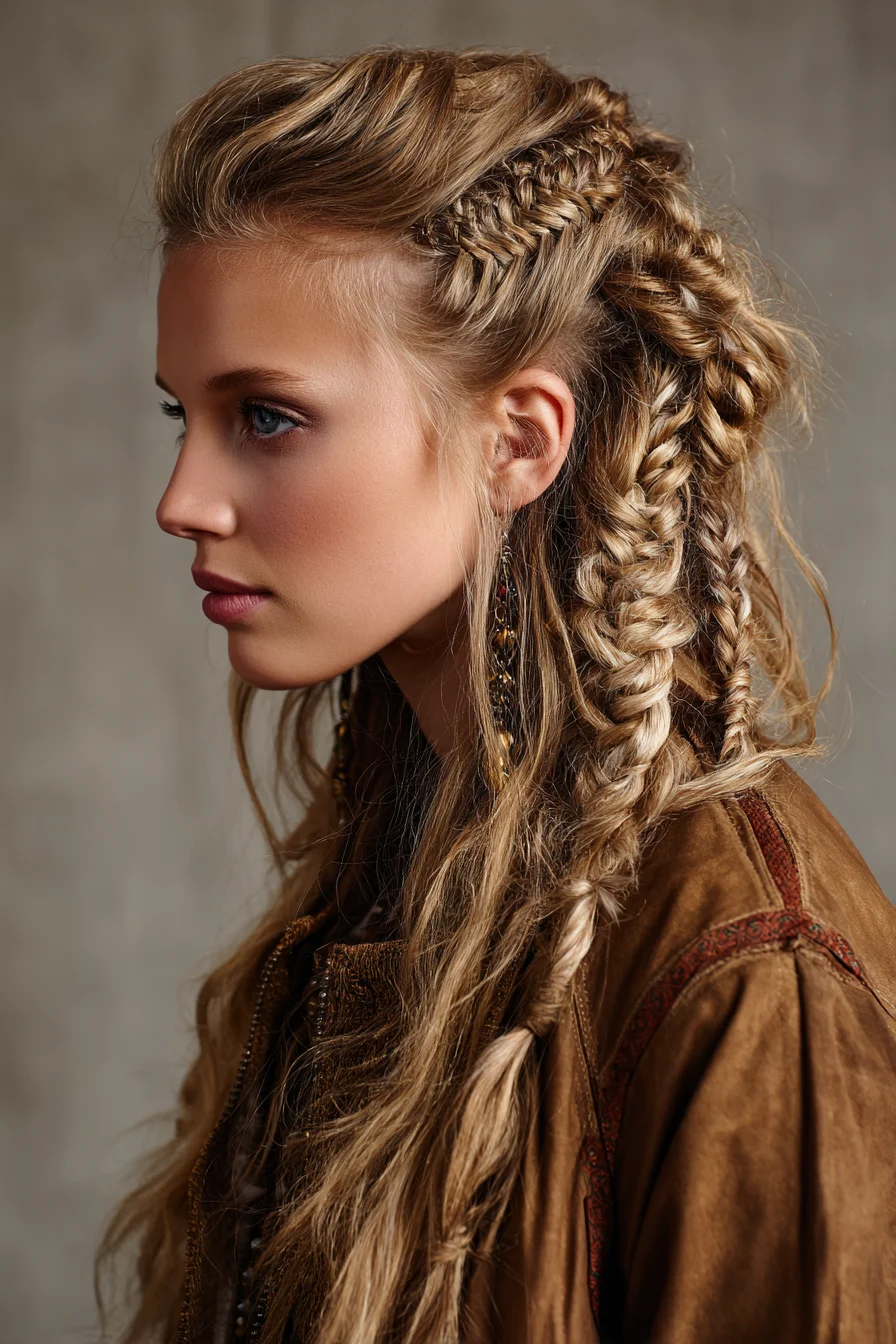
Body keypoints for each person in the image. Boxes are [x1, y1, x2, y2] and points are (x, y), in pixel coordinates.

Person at [95, 46, 896, 1344]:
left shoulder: (752, 976)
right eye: (181, 415)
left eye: (269, 419)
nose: (182, 500)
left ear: (518, 440)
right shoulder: (393, 865)